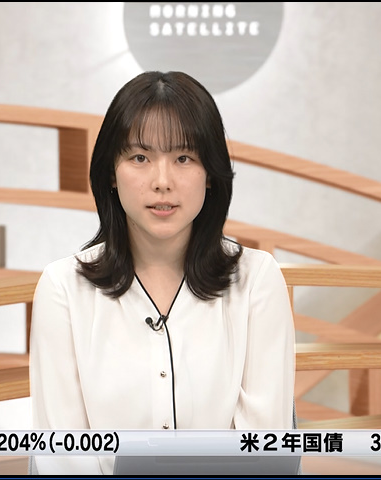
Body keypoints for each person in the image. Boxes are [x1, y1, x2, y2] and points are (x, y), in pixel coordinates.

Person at [29, 71, 296, 475]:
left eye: (184, 158)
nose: (162, 182)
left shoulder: (257, 280)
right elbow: (63, 459)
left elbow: (264, 452)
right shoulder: (63, 289)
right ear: (111, 173)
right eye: (140, 158)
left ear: (211, 175)